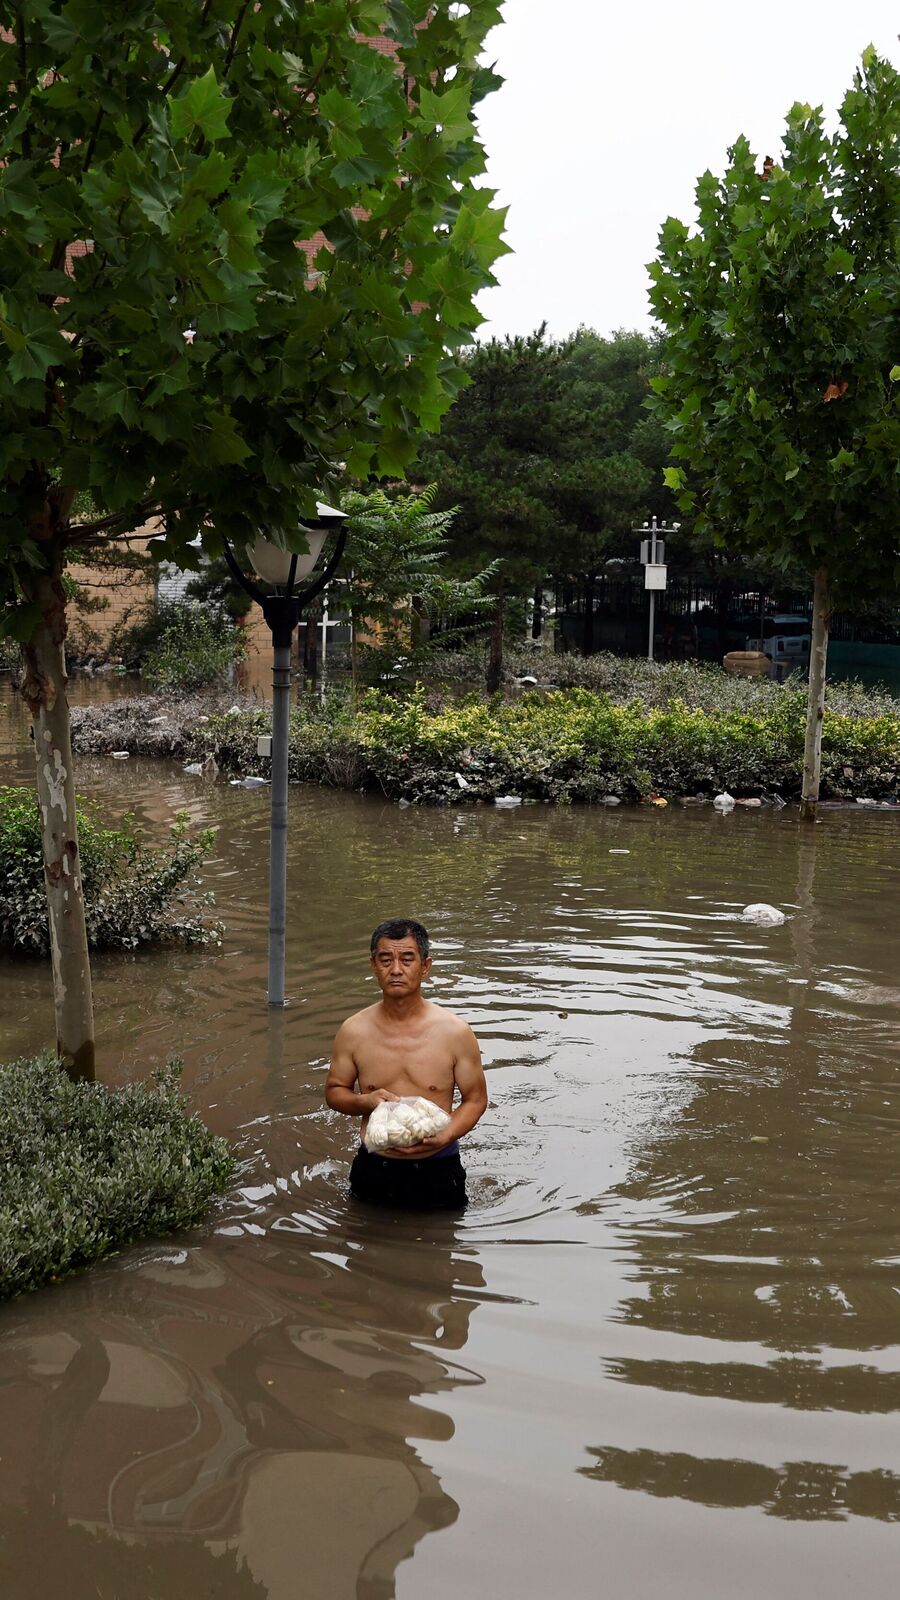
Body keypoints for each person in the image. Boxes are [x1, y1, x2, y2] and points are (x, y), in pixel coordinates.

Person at [325, 918, 488, 1210]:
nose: (396, 970)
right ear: (373, 965)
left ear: (425, 966)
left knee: (442, 1237)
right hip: (375, 1166)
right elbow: (335, 1091)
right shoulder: (354, 1031)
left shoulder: (455, 1033)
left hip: (438, 1167)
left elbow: (475, 1100)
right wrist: (366, 1101)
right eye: (386, 960)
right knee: (363, 1235)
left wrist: (446, 1134)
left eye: (407, 959)